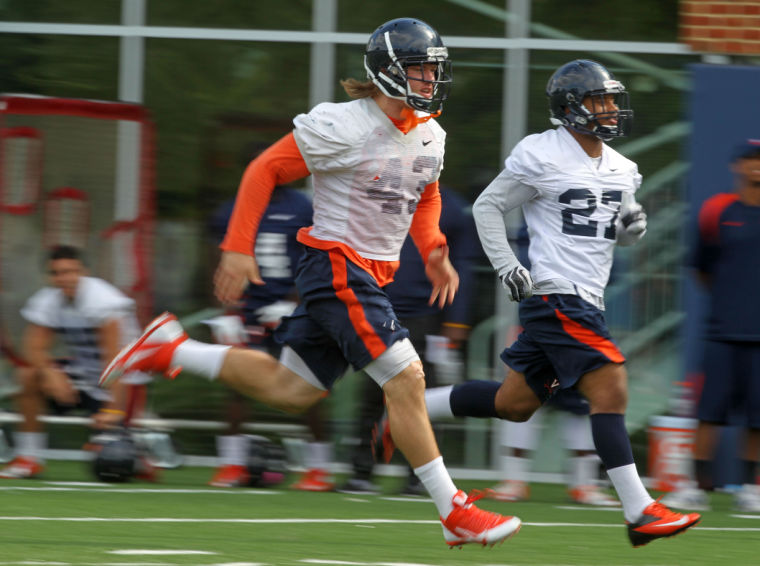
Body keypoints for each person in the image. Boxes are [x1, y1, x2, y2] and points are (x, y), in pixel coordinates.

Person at [99, 17, 521, 547]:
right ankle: (452, 510)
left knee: (292, 390)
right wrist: (236, 248)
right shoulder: (344, 124)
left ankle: (173, 349)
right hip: (337, 265)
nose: (429, 80)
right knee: (407, 378)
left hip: (369, 275)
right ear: (387, 72)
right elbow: (265, 169)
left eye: (434, 70)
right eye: (418, 69)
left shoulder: (431, 133)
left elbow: (424, 191)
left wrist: (433, 246)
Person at [422, 59, 701, 547]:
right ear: (571, 107)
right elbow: (488, 206)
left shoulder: (622, 167)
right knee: (610, 387)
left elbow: (620, 228)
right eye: (602, 100)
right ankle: (639, 512)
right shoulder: (541, 153)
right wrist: (509, 264)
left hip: (587, 298)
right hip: (554, 294)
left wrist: (632, 230)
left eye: (613, 100)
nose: (612, 109)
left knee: (514, 404)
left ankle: (412, 409)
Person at [339, 187, 478, 496]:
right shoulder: (380, 200)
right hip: (379, 312)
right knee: (372, 397)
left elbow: (463, 268)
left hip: (425, 318)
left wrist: (456, 321)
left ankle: (418, 478)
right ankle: (362, 472)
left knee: (422, 400)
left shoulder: (452, 208)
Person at [204, 189, 334, 490]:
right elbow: (218, 257)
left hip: (294, 308)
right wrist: (228, 309)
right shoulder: (234, 207)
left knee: (308, 384)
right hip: (248, 308)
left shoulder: (304, 207)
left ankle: (319, 469)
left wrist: (296, 300)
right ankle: (231, 464)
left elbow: (320, 257)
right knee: (236, 385)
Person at [661, 140, 760, 512]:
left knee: (757, 419)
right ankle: (695, 486)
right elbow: (702, 269)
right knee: (709, 413)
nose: (756, 167)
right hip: (721, 331)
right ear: (738, 167)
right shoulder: (717, 212)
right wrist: (731, 302)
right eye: (750, 160)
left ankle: (752, 488)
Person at [0, 245, 151, 479]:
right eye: (57, 273)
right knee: (28, 376)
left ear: (84, 272)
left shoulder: (103, 300)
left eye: (71, 271)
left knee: (118, 465)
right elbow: (33, 348)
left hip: (122, 381)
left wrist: (112, 409)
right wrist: (51, 373)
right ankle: (28, 459)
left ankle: (142, 452)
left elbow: (116, 360)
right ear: (49, 277)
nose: (64, 278)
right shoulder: (49, 299)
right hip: (84, 375)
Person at [490, 389, 619, 506]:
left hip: (574, 368)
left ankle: (584, 486)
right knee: (521, 407)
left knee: (578, 412)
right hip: (541, 366)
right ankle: (513, 482)